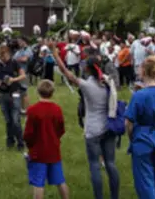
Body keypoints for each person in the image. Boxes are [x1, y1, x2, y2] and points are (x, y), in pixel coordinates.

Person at [53, 47, 120, 199]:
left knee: (95, 165)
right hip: (109, 127)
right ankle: (115, 196)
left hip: (93, 130)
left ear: (88, 69)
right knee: (110, 164)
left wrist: (55, 53)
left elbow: (66, 73)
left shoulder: (87, 85)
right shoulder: (108, 82)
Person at [124, 56, 155, 199]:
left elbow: (129, 122)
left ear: (144, 71)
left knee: (145, 182)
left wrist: (132, 137)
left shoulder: (139, 96)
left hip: (142, 138)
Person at [23, 80, 69, 199]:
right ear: (52, 92)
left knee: (38, 183)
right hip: (53, 149)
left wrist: (29, 146)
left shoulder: (33, 110)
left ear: (38, 91)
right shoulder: (57, 109)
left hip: (38, 152)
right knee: (60, 180)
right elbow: (61, 129)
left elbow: (28, 133)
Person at [0, 45, 26, 150]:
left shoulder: (14, 63)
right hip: (2, 94)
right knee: (8, 120)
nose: (3, 58)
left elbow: (23, 75)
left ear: (9, 54)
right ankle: (10, 142)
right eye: (1, 56)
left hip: (15, 93)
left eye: (5, 56)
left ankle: (20, 143)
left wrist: (13, 80)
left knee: (15, 119)